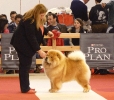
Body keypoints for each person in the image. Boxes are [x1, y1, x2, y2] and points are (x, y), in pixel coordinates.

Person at [10, 4, 53, 94]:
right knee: (25, 66)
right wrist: (40, 51)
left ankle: (26, 86)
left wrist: (47, 31)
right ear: (37, 13)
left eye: (44, 15)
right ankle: (25, 88)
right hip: (22, 44)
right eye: (41, 15)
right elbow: (31, 37)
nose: (43, 17)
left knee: (26, 65)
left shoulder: (35, 18)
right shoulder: (29, 19)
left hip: (26, 44)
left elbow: (40, 27)